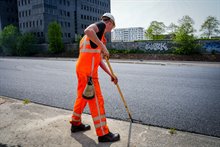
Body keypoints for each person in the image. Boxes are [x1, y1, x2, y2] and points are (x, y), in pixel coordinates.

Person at [70, 13, 120, 142]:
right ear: (109, 22)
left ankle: (75, 123)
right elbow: (88, 30)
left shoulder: (91, 38)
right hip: (89, 73)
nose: (110, 30)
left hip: (82, 70)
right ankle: (103, 134)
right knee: (97, 101)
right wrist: (103, 47)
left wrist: (111, 75)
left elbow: (98, 61)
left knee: (82, 97)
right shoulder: (101, 26)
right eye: (112, 27)